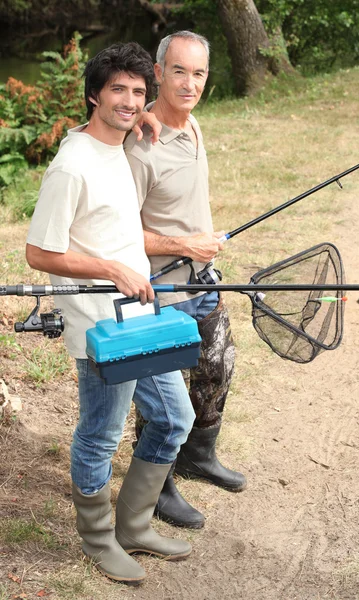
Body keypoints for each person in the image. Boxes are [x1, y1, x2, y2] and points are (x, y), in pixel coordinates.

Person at [25, 42, 195, 586]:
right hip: (101, 323)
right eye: (117, 90)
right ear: (93, 93)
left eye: (139, 93)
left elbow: (131, 114)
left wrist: (138, 114)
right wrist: (112, 269)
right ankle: (98, 539)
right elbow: (39, 252)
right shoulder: (71, 167)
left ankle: (135, 525)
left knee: (174, 418)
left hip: (138, 314)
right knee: (101, 432)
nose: (129, 101)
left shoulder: (117, 143)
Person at [124, 31, 247, 531]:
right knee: (163, 394)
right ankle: (158, 487)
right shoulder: (141, 144)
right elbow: (121, 233)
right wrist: (184, 245)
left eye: (198, 73)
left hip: (203, 278)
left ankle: (198, 456)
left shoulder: (192, 124)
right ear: (158, 73)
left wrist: (201, 241)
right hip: (162, 290)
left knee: (218, 366)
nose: (189, 83)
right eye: (179, 71)